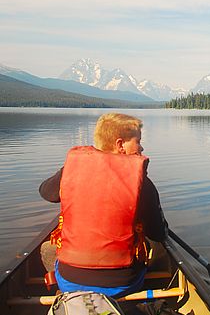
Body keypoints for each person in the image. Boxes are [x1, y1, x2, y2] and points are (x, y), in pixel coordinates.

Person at [39, 113, 168, 297]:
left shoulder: (73, 169)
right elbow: (158, 233)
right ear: (120, 144)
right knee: (158, 247)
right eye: (137, 141)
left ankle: (65, 293)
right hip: (123, 284)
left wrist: (66, 173)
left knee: (47, 248)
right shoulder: (142, 183)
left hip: (69, 281)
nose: (141, 147)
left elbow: (46, 192)